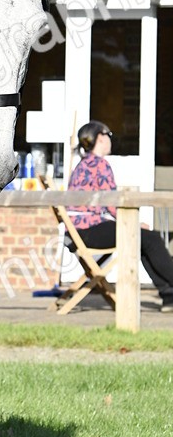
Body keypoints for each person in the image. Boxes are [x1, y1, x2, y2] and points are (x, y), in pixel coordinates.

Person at [68, 120, 173, 311]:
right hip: (88, 230)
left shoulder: (84, 164)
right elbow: (112, 203)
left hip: (79, 231)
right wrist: (133, 223)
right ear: (99, 137)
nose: (110, 139)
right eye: (108, 135)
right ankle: (169, 293)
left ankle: (169, 296)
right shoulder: (99, 165)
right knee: (151, 239)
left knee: (141, 242)